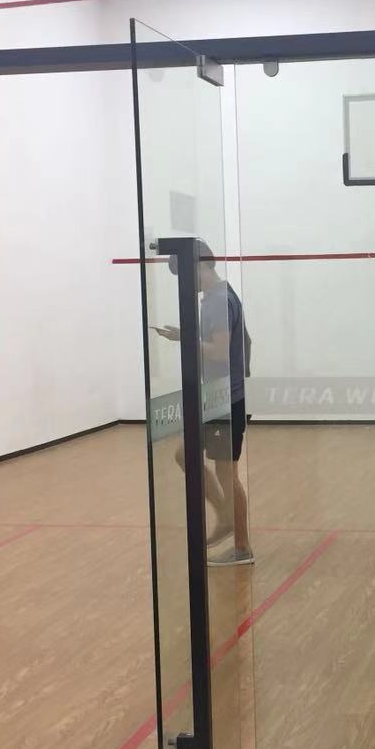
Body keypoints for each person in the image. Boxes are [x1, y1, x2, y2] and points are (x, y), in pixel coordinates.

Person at [154, 238, 253, 566]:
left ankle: (241, 547)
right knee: (186, 454)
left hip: (226, 400)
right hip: (218, 398)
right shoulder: (220, 295)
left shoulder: (217, 300)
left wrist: (185, 338)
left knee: (227, 473)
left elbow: (220, 351)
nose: (185, 283)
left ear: (200, 265)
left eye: (185, 274)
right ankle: (225, 517)